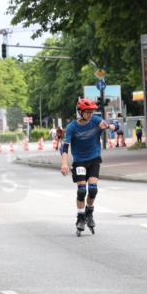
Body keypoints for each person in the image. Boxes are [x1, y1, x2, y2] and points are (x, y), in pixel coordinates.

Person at [60, 99, 111, 235]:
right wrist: (64, 163)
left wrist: (110, 126)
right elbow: (65, 146)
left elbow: (107, 125)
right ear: (80, 112)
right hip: (79, 162)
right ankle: (80, 218)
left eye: (91, 112)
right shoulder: (72, 127)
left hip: (94, 159)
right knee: (82, 191)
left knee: (93, 190)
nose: (90, 115)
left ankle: (89, 213)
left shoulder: (96, 120)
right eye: (87, 112)